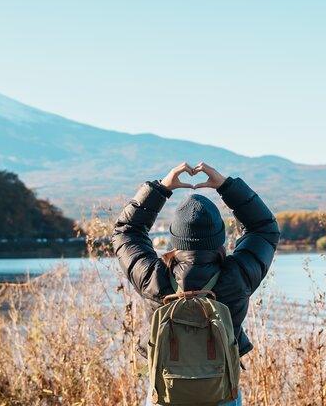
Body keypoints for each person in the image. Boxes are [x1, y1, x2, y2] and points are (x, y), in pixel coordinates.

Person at [111, 162, 280, 406]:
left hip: (166, 394)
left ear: (175, 238)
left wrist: (161, 188)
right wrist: (226, 186)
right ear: (220, 237)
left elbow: (126, 231)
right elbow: (264, 228)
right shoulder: (237, 275)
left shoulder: (152, 277)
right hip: (221, 392)